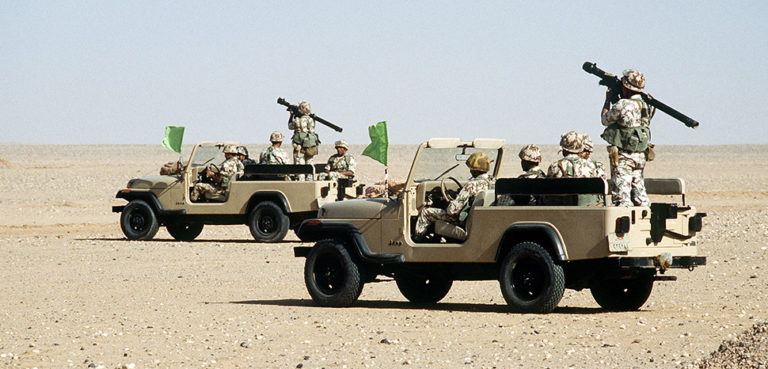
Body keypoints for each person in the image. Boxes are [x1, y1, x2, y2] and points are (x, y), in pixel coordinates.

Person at [600, 69, 655, 207]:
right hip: (640, 155)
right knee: (640, 194)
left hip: (624, 156)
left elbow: (605, 120)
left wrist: (608, 101)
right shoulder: (646, 104)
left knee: (622, 197)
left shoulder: (623, 104)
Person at [414, 152, 493, 241]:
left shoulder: (471, 185)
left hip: (463, 221)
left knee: (426, 212)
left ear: (474, 170)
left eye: (470, 169)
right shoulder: (492, 182)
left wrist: (449, 202)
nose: (470, 171)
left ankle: (418, 240)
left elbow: (451, 211)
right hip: (479, 221)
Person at [287, 101, 319, 165]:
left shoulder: (297, 120)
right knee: (310, 163)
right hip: (310, 146)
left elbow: (290, 126)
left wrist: (291, 115)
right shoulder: (311, 119)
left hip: (299, 146)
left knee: (300, 166)